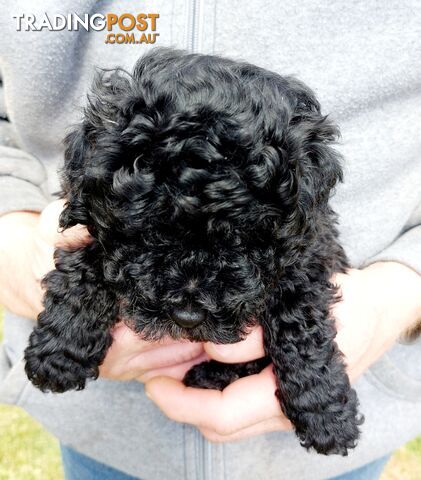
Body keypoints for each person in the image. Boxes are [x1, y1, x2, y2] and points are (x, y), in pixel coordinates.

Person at [0, 1, 420, 479]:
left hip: (298, 455)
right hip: (113, 440)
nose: (188, 302)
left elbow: (303, 283)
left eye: (234, 244)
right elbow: (87, 246)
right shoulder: (116, 172)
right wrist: (18, 251)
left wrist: (323, 377)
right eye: (154, 238)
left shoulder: (293, 208)